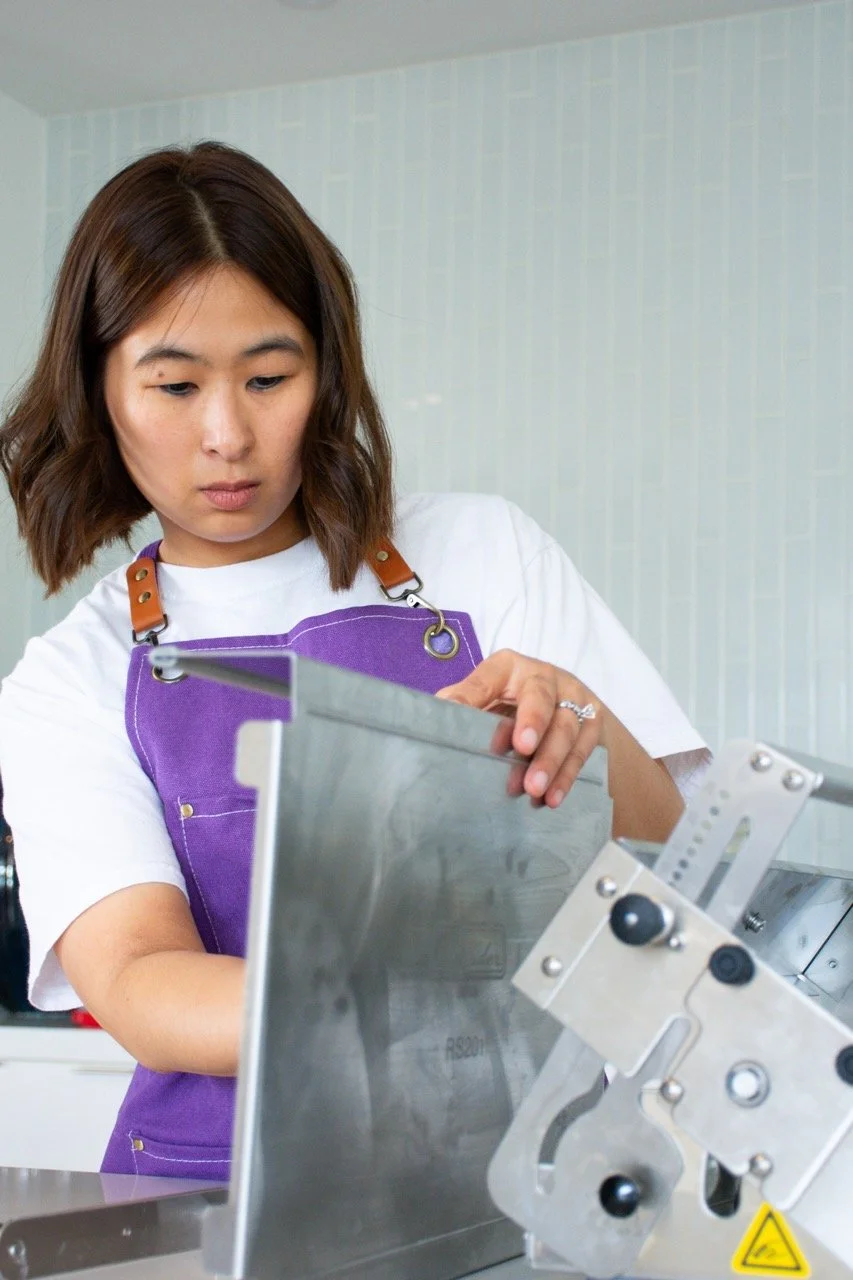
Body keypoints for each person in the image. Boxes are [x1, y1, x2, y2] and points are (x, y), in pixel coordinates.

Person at [0, 142, 707, 1181]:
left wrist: (580, 720)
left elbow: (675, 864)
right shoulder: (71, 675)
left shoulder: (484, 552)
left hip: (518, 1178)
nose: (227, 433)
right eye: (175, 384)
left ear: (325, 373)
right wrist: (422, 1010)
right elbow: (144, 981)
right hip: (212, 1187)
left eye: (268, 377)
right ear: (100, 390)